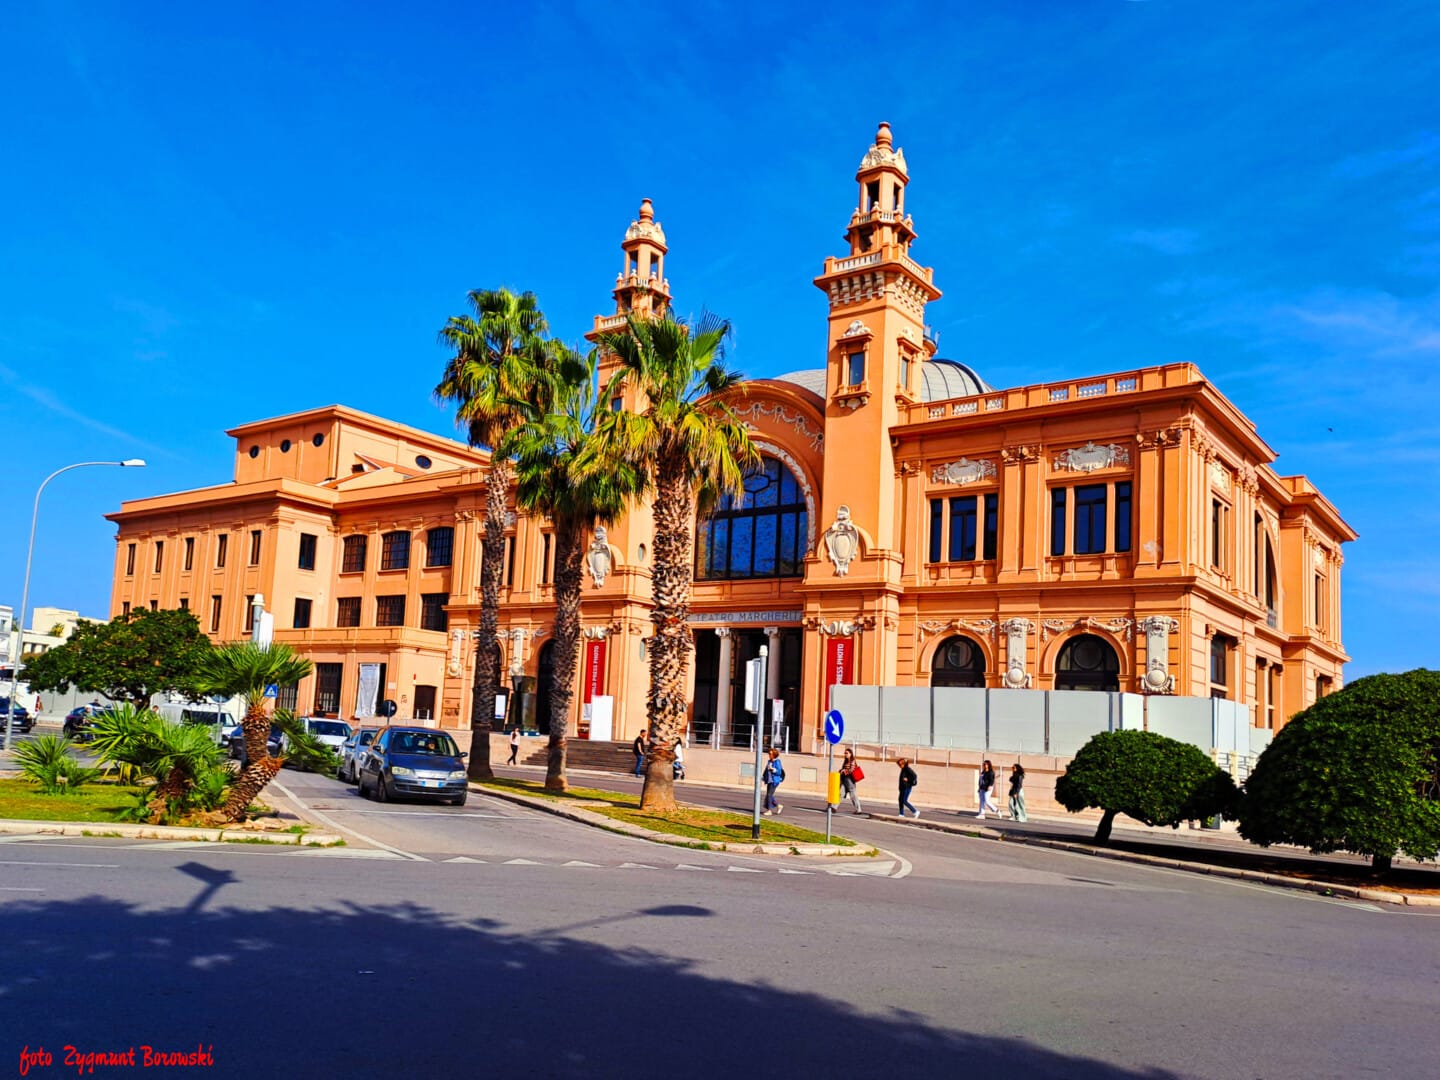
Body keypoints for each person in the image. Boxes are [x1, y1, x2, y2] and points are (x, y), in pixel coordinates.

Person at [838, 747, 864, 814]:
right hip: (845, 780)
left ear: (850, 754)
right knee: (841, 794)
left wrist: (844, 771)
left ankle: (858, 810)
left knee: (853, 796)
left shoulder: (852, 761)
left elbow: (852, 770)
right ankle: (833, 807)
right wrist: (841, 771)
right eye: (845, 753)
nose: (845, 754)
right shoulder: (846, 761)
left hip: (850, 780)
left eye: (846, 753)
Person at [761, 747, 785, 815]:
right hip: (769, 780)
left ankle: (769, 810)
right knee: (769, 795)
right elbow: (766, 770)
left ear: (774, 754)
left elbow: (779, 772)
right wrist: (764, 777)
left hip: (774, 781)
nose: (769, 755)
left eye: (770, 754)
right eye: (769, 753)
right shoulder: (769, 761)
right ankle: (778, 805)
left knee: (769, 795)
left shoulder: (777, 762)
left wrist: (773, 769)